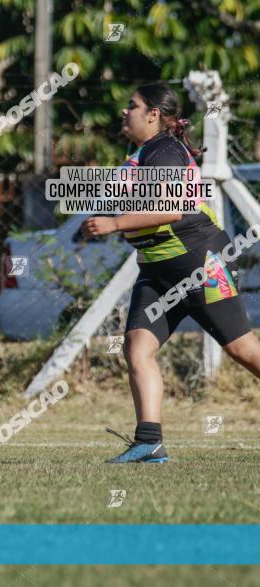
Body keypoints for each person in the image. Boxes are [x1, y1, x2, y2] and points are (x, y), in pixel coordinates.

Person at [80, 82, 260, 463]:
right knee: (137, 347)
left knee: (242, 349)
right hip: (158, 269)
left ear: (153, 115)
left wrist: (113, 225)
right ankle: (149, 443)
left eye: (132, 105)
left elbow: (171, 210)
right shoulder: (142, 152)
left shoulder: (164, 150)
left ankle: (149, 443)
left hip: (199, 262)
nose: (123, 112)